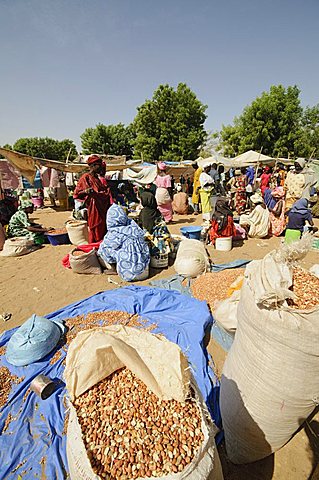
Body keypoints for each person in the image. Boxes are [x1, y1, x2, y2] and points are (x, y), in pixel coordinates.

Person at [98, 204, 150, 282]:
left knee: (102, 250)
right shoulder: (135, 228)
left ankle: (113, 268)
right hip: (145, 271)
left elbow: (104, 249)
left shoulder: (114, 233)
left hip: (128, 274)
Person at [73, 155, 113, 243]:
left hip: (102, 209)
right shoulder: (85, 178)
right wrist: (86, 191)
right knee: (95, 231)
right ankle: (94, 248)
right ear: (93, 166)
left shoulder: (97, 179)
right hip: (93, 210)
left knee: (102, 231)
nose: (100, 167)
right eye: (99, 165)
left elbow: (103, 193)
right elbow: (76, 194)